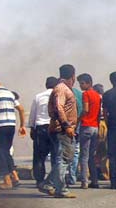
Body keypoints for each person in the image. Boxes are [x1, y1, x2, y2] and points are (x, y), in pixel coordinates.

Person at [0, 73, 27, 189]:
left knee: (0, 153)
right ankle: (15, 177)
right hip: (11, 126)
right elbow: (21, 109)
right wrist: (22, 125)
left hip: (0, 126)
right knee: (6, 151)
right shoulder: (10, 93)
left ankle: (7, 181)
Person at [48, 64, 78, 198]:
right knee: (64, 159)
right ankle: (60, 189)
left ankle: (48, 183)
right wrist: (67, 126)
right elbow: (59, 108)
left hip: (64, 128)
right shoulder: (61, 89)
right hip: (64, 130)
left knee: (66, 158)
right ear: (73, 76)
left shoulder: (63, 88)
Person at [28, 76, 58, 192]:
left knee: (39, 157)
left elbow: (33, 115)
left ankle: (39, 180)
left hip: (41, 128)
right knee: (56, 156)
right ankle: (54, 180)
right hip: (54, 128)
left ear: (46, 85)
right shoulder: (58, 96)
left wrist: (32, 128)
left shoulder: (38, 96)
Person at [77, 73, 101, 189]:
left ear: (88, 83)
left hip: (86, 126)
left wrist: (78, 120)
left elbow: (85, 109)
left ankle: (84, 181)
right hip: (95, 127)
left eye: (82, 83)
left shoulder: (86, 94)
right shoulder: (97, 95)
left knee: (84, 156)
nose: (81, 86)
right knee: (92, 155)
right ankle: (95, 180)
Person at [66, 81, 84, 186]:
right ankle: (72, 176)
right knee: (76, 152)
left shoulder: (62, 93)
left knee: (65, 152)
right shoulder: (79, 93)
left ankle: (68, 177)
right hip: (77, 126)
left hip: (67, 127)